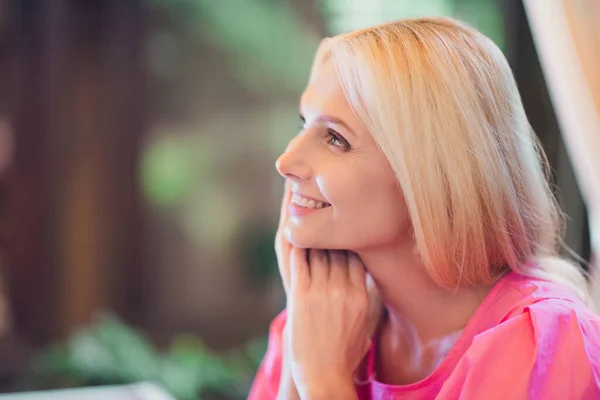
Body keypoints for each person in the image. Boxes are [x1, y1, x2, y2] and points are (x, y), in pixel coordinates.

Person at [248, 17, 600, 400]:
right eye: (304, 125)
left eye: (335, 138)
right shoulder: (317, 316)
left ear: (430, 175)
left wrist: (323, 380)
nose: (286, 161)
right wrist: (299, 369)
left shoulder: (543, 341)